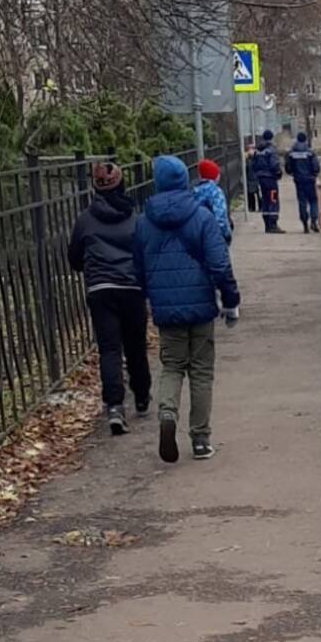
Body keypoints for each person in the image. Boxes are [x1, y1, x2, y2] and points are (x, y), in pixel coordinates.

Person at [133, 155, 241, 463]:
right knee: (202, 370)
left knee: (172, 366)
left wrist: (147, 299)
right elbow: (219, 263)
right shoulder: (202, 217)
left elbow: (138, 269)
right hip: (202, 304)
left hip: (167, 310)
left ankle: (168, 413)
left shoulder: (144, 222)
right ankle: (200, 440)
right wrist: (230, 300)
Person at [67, 162, 151, 436]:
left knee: (109, 348)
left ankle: (114, 406)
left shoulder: (85, 219)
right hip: (132, 288)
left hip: (101, 289)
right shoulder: (135, 218)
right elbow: (144, 252)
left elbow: (74, 257)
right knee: (135, 344)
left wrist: (92, 268)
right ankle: (141, 394)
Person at [285, 131, 321, 233]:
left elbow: (288, 167)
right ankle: (314, 221)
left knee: (302, 202)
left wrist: (293, 173)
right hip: (310, 180)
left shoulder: (292, 153)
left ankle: (305, 223)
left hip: (298, 180)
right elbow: (316, 166)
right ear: (305, 140)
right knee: (313, 201)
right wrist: (314, 174)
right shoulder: (310, 152)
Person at [251, 130, 285, 234]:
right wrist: (278, 173)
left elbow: (253, 165)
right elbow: (274, 164)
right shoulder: (271, 150)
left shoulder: (257, 150)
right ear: (271, 137)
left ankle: (267, 224)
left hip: (261, 179)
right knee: (273, 200)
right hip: (270, 179)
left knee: (265, 200)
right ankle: (273, 224)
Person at [194, 158, 233, 245]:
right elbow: (220, 216)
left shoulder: (194, 191)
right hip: (214, 236)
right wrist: (226, 234)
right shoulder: (216, 192)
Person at [244, 142, 260, 212]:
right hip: (250, 178)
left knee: (259, 194)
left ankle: (261, 207)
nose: (250, 151)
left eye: (252, 149)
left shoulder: (257, 157)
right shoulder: (247, 159)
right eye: (249, 149)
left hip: (256, 178)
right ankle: (251, 207)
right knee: (250, 194)